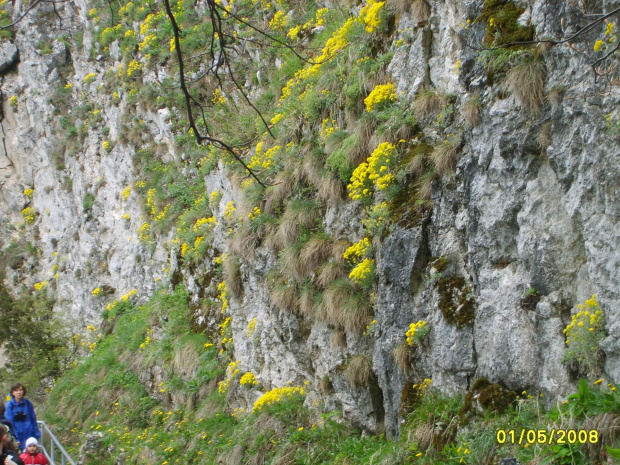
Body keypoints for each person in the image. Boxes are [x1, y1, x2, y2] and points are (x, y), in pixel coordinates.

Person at [4, 384, 39, 451]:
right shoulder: (9, 405)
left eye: (20, 390)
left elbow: (33, 419)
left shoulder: (28, 404)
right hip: (18, 438)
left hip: (29, 435)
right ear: (12, 393)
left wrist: (36, 435)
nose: (19, 392)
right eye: (16, 390)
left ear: (23, 391)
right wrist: (16, 438)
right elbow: (10, 423)